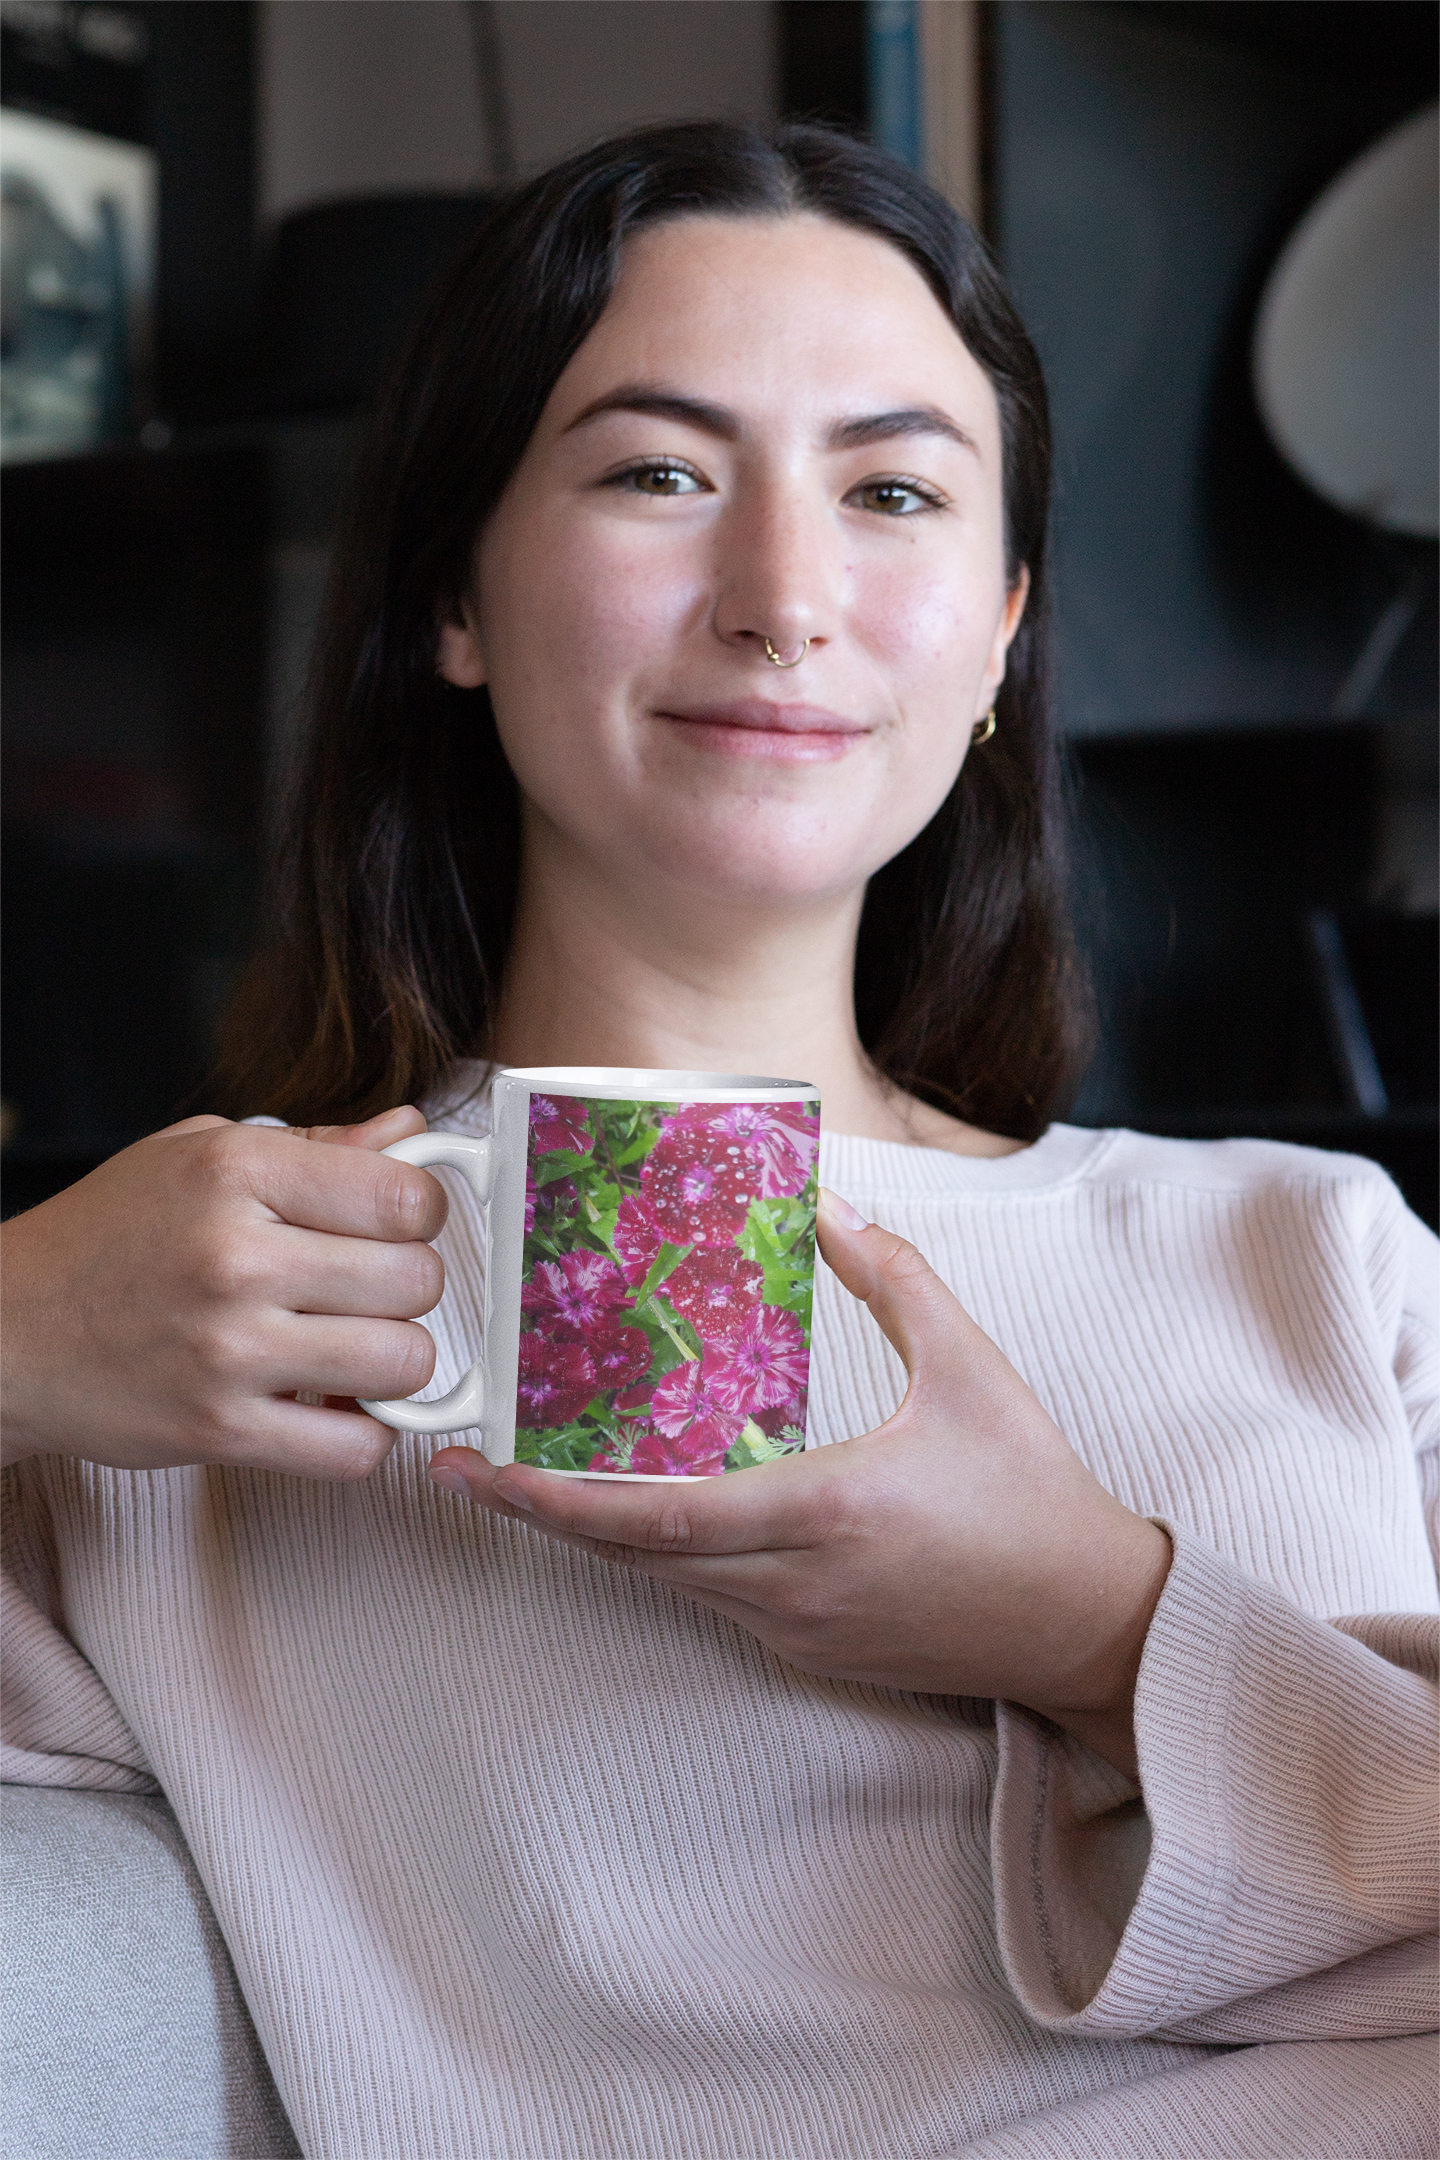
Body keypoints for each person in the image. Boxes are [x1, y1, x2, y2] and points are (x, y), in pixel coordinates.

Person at [3, 120, 1439, 2160]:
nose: (784, 600)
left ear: (1005, 627)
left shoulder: (1316, 1254)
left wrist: (1101, 1629)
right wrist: (15, 1331)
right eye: (661, 471)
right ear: (455, 598)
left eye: (894, 492)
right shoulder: (203, 1341)